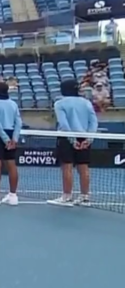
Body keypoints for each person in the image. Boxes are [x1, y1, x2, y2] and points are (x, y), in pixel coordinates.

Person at [48, 79, 98, 207]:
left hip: (66, 138)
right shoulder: (87, 103)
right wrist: (89, 139)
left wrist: (73, 140)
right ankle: (85, 197)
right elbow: (93, 122)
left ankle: (67, 196)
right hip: (84, 137)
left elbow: (64, 124)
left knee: (67, 167)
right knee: (83, 167)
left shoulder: (59, 103)